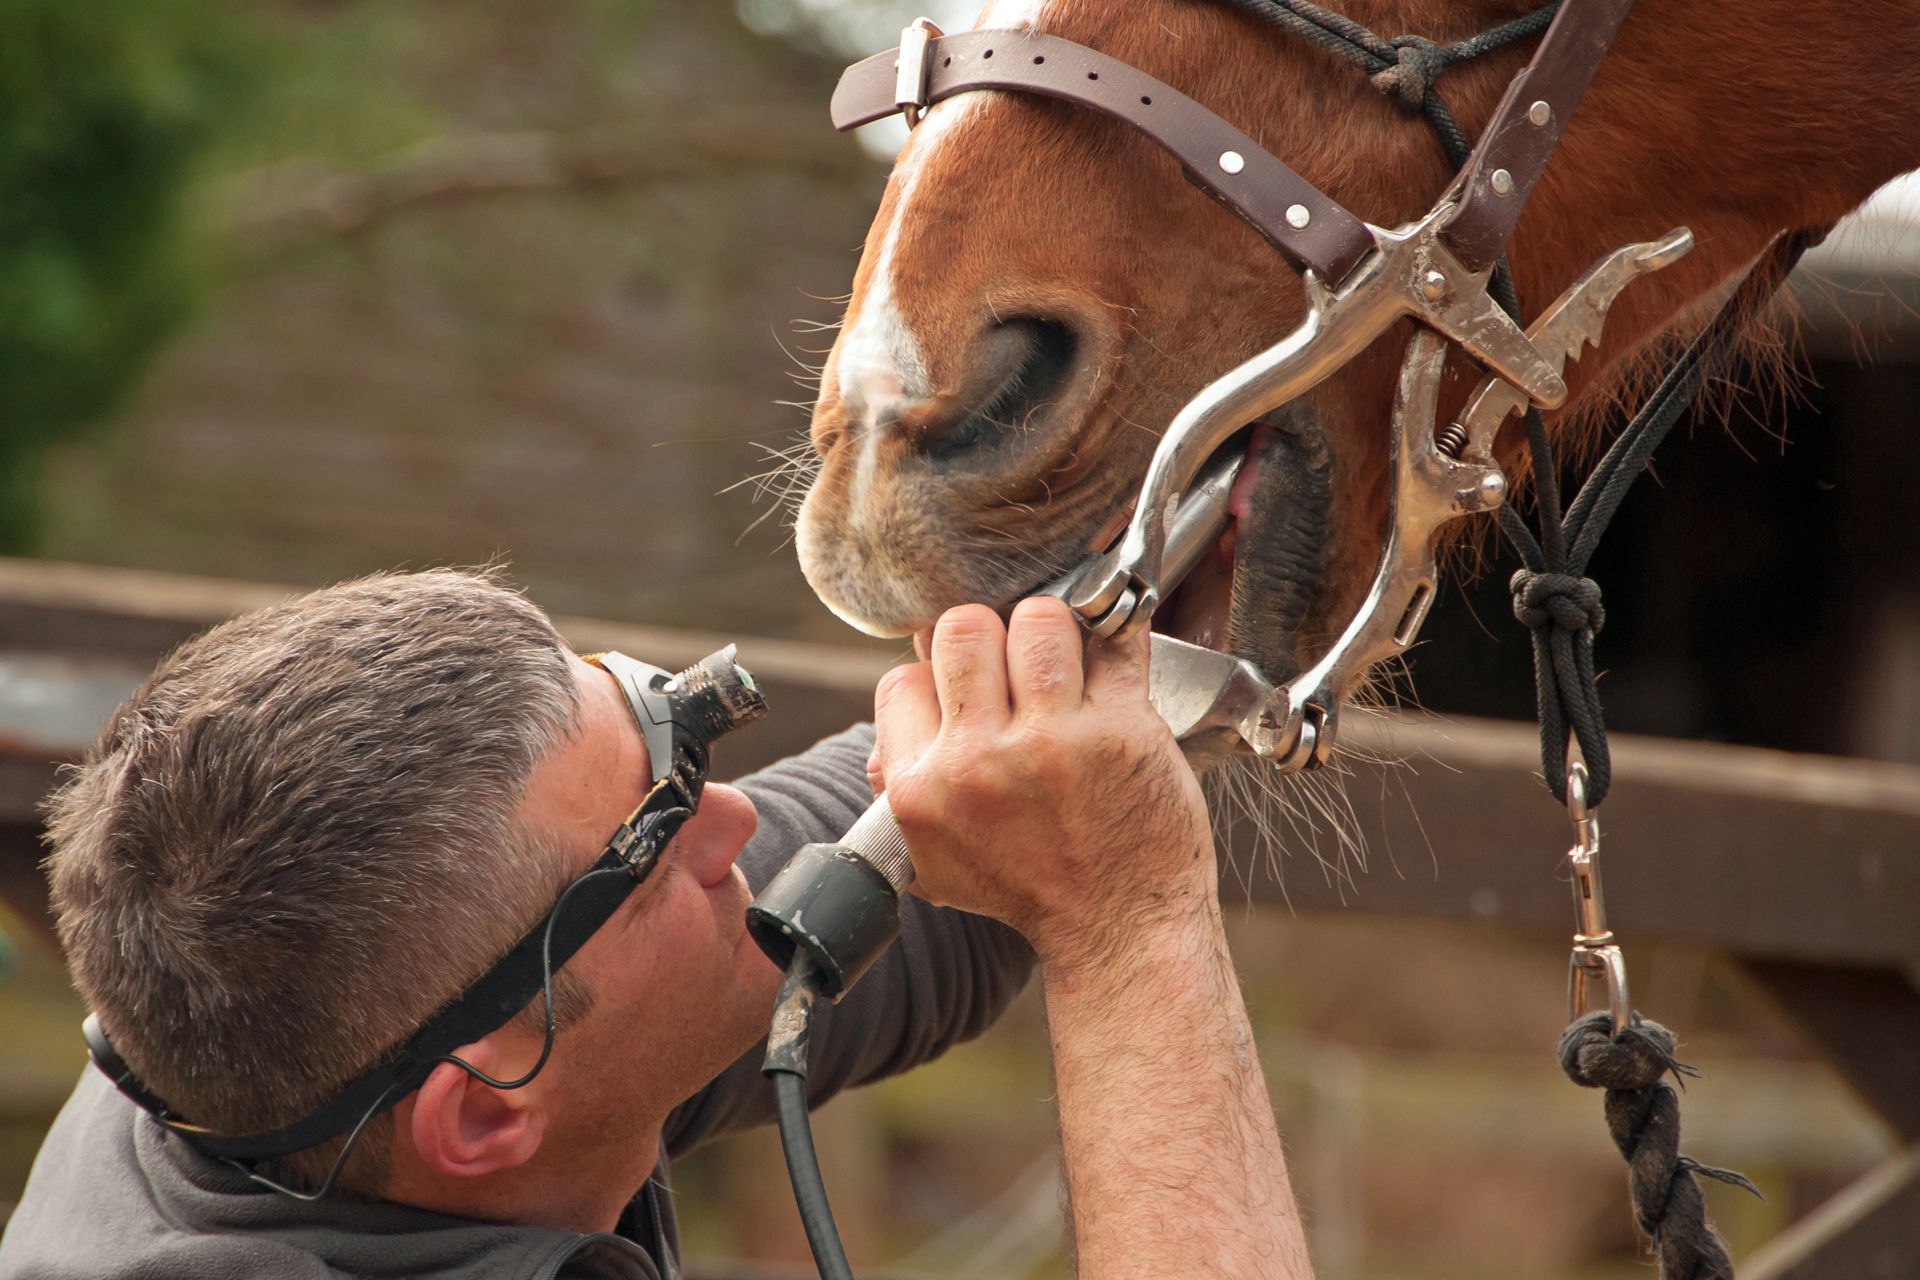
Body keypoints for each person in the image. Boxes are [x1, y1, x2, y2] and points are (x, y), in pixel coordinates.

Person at [0, 568, 1311, 1279]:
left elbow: (962, 866)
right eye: (656, 839)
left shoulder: (285, 1062)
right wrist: (1135, 929)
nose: (736, 823)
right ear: (485, 1110)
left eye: (672, 741)